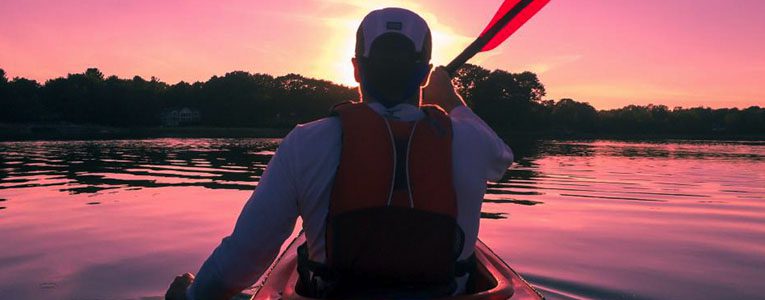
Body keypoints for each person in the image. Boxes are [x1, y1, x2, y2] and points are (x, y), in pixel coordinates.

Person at [166, 7, 513, 300]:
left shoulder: (306, 142)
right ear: (423, 74)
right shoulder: (472, 141)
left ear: (356, 68)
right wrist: (450, 99)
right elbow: (502, 158)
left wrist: (191, 296)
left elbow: (244, 258)